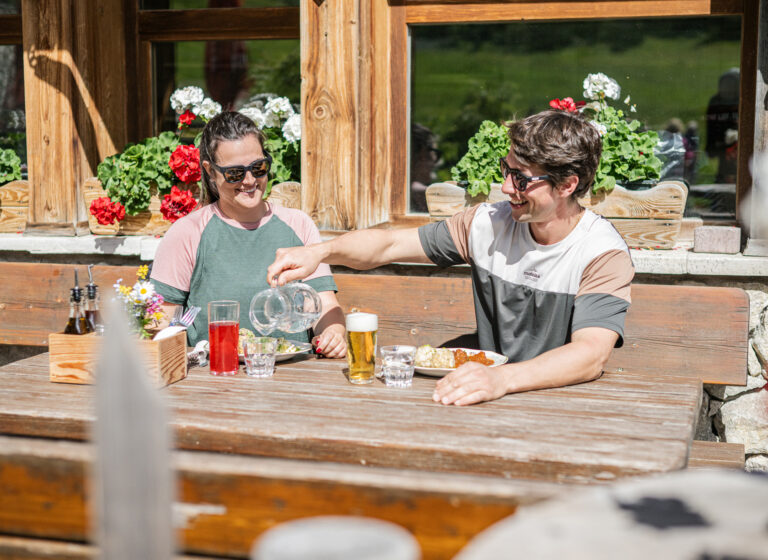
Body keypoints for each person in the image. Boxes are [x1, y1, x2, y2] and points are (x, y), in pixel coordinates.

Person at [267, 109, 634, 406]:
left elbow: (590, 355)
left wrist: (500, 379)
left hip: (561, 403)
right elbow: (389, 246)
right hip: (482, 394)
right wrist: (322, 250)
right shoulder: (488, 223)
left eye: (521, 179)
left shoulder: (601, 252)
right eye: (507, 170)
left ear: (568, 184)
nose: (506, 187)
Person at [150, 111, 346, 358]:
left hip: (291, 374)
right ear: (210, 172)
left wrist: (332, 334)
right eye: (235, 173)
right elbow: (161, 324)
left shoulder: (298, 224)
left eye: (258, 167)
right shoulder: (188, 232)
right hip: (216, 376)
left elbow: (325, 306)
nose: (250, 180)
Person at [706, 68, 739, 184]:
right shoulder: (715, 102)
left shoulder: (744, 100)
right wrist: (711, 146)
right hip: (722, 143)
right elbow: (710, 125)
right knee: (724, 170)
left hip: (737, 145)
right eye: (726, 84)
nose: (728, 88)